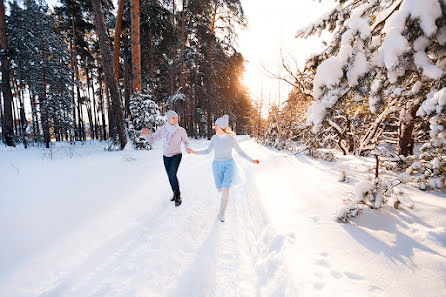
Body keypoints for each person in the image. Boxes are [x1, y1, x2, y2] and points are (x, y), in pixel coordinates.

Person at [190, 115, 260, 222]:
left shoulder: (231, 139)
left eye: (216, 125)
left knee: (226, 189)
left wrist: (252, 160)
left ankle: (221, 213)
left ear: (222, 126)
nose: (215, 127)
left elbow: (240, 152)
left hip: (229, 165)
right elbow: (207, 151)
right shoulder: (214, 138)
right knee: (220, 189)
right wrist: (195, 152)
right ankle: (222, 197)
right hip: (217, 165)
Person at [141, 110, 192, 207]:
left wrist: (187, 148)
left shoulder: (181, 130)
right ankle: (174, 192)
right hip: (166, 156)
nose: (175, 119)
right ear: (168, 119)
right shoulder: (162, 129)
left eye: (176, 117)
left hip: (176, 155)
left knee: (172, 174)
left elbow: (186, 142)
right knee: (170, 176)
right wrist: (145, 134)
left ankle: (178, 196)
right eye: (173, 118)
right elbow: (151, 139)